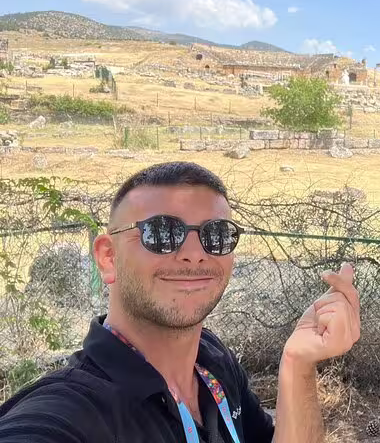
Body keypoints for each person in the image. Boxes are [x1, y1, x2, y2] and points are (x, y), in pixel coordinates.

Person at [0, 162, 361, 443]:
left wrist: (298, 363)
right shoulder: (78, 409)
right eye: (161, 233)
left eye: (215, 236)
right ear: (108, 257)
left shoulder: (212, 361)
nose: (194, 254)